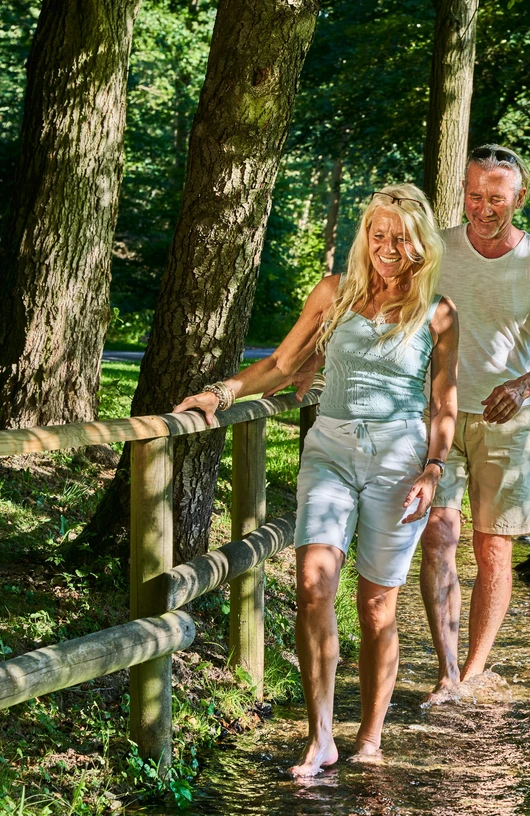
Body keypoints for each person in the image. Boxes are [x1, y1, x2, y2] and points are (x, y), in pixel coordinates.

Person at [174, 184, 458, 777]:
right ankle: (321, 734)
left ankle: (371, 734)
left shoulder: (437, 312)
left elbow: (443, 404)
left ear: (419, 244)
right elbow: (281, 365)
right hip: (330, 446)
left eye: (398, 238)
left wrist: (433, 471)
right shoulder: (334, 293)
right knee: (312, 584)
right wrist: (223, 392)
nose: (386, 246)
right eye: (377, 234)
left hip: (399, 459)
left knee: (377, 604)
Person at [420, 145, 530, 703]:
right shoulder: (437, 246)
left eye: (496, 198)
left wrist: (523, 385)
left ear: (519, 198)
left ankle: (474, 665)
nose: (483, 208)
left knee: (494, 550)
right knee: (439, 535)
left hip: (505, 419)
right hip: (438, 412)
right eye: (474, 195)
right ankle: (447, 671)